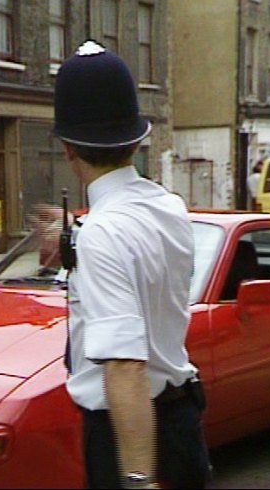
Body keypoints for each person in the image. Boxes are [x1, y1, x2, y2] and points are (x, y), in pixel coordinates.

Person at [53, 40, 211, 489]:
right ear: (137, 140)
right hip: (180, 424)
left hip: (130, 433)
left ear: (67, 149)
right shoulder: (169, 208)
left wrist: (139, 481)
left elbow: (124, 366)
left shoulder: (101, 233)